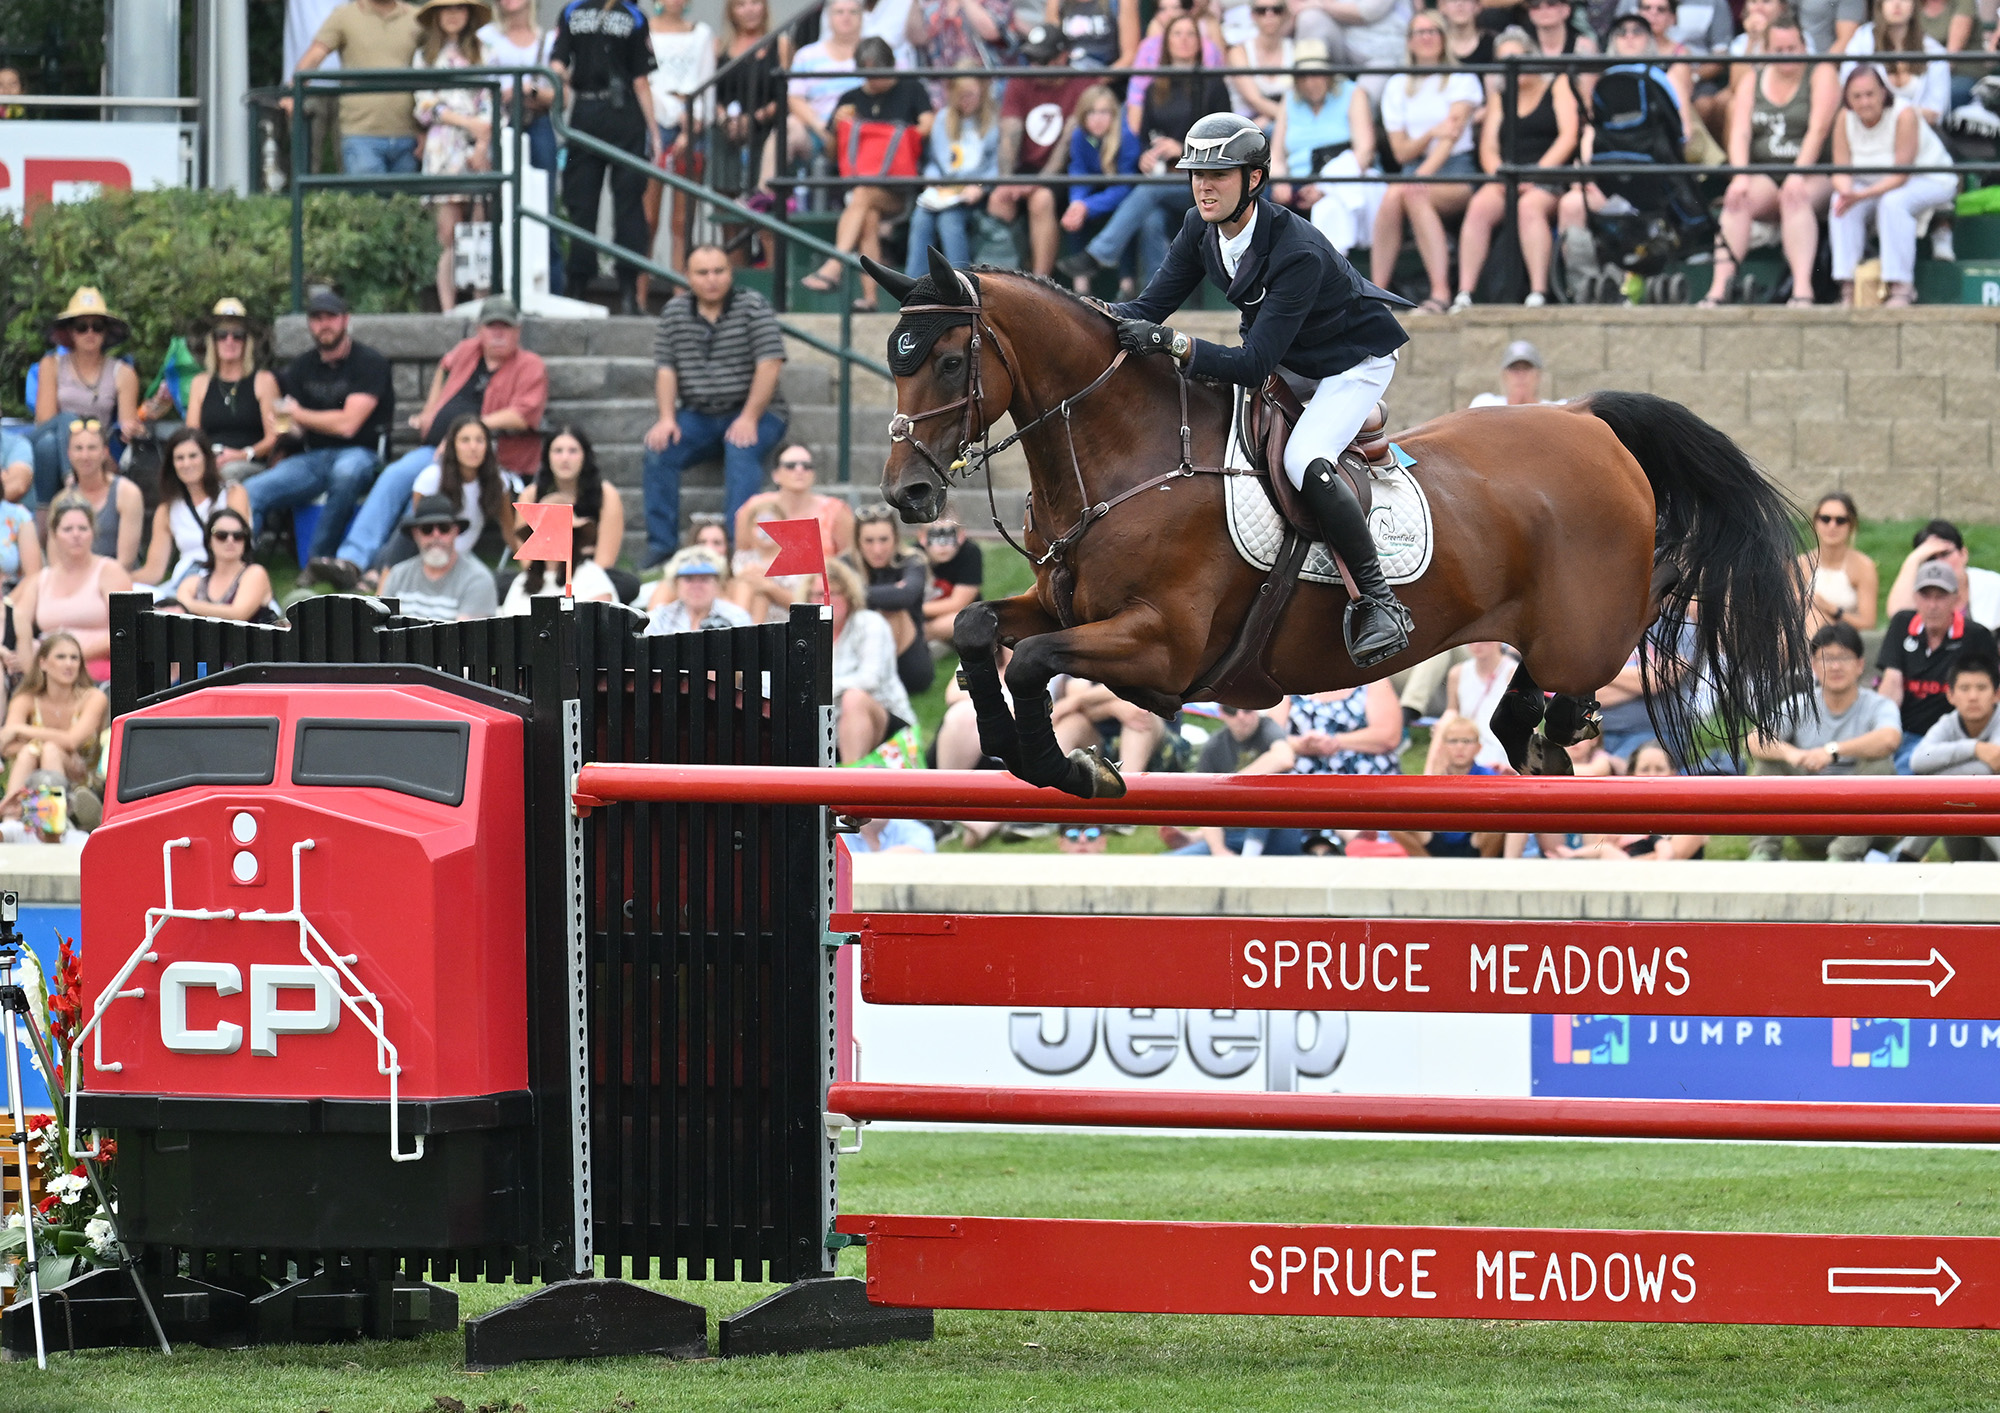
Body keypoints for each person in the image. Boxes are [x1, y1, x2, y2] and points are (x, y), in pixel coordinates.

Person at [1104, 110, 1417, 668]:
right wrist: (1075, 314)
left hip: (1350, 362)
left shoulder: (1294, 249)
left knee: (1304, 459)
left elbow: (1251, 364)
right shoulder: (1199, 229)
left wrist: (1175, 345)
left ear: (1254, 179)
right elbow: (1145, 308)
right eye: (1197, 175)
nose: (1204, 186)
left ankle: (1379, 600)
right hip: (1293, 354)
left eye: (1219, 174)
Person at [311, 296, 545, 588]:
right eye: (491, 326)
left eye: (505, 327)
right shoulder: (468, 350)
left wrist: (468, 434)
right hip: (435, 450)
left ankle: (383, 570)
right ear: (479, 329)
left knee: (428, 489)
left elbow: (523, 415)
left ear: (518, 331)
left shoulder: (529, 366)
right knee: (395, 475)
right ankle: (352, 560)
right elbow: (443, 367)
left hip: (484, 457)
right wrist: (429, 412)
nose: (498, 333)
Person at [641, 245, 789, 565]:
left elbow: (770, 363)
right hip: (698, 414)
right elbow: (665, 369)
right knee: (658, 451)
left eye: (719, 271)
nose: (712, 280)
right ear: (688, 277)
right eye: (702, 272)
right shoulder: (674, 312)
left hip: (757, 412)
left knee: (741, 450)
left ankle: (738, 548)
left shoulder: (753, 306)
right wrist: (666, 418)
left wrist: (750, 417)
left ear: (730, 273)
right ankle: (661, 546)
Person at [1057, 15, 1228, 286]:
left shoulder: (1213, 84)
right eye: (1177, 34)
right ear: (1166, 44)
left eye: (1190, 34)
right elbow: (1145, 137)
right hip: (1165, 177)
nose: (1183, 40)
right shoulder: (1153, 88)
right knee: (1150, 218)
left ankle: (1098, 254)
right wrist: (1146, 156)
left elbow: (1225, 138)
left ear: (1199, 43)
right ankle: (1154, 297)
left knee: (1148, 190)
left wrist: (1183, 148)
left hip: (1204, 180)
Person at [1700, 7, 1837, 308]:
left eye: (1792, 49)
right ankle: (1719, 287)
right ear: (1766, 49)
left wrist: (1798, 174)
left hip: (1814, 173)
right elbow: (1740, 134)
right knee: (1739, 198)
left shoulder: (1821, 73)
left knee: (1795, 197)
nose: (1786, 56)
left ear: (1803, 47)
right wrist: (1739, 176)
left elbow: (1818, 129)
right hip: (1766, 170)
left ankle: (1802, 290)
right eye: (1778, 50)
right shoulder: (1754, 78)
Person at [251, 289, 394, 564]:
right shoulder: (302, 367)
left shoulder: (370, 362)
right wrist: (286, 428)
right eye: (316, 318)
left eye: (331, 317)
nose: (324, 324)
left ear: (346, 320)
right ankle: (237, 567)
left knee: (346, 473)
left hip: (361, 452)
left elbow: (349, 425)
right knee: (251, 491)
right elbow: (299, 428)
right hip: (313, 457)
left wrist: (298, 414)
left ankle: (317, 562)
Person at [1744, 621, 1903, 858]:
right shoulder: (1799, 703)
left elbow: (1890, 739)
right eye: (1827, 659)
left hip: (1867, 824)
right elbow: (1755, 739)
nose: (1836, 666)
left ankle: (1843, 856)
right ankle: (1764, 853)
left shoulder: (1878, 704)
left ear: (1860, 665)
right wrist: (1791, 753)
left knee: (1880, 764)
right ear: (1814, 666)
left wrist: (1833, 751)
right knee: (1769, 763)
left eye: (1845, 658)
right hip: (1811, 815)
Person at [799, 38, 935, 308]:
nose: (873, 81)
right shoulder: (850, 99)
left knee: (862, 196)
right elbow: (830, 153)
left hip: (900, 188)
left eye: (878, 74)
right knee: (868, 214)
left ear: (892, 66)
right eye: (867, 75)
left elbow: (927, 127)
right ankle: (870, 299)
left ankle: (834, 265)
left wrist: (889, 136)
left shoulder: (912, 89)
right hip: (862, 187)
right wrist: (838, 127)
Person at [550, 0, 664, 314]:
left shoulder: (573, 11)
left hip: (590, 110)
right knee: (625, 206)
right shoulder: (632, 15)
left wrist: (560, 78)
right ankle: (624, 291)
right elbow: (641, 80)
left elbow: (558, 63)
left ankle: (579, 289)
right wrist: (653, 133)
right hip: (620, 111)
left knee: (582, 204)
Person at [1453, 26, 1579, 309]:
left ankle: (1537, 290)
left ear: (1531, 56)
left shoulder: (1556, 83)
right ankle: (1465, 292)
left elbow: (1568, 136)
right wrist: (1502, 175)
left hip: (1549, 174)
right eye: (1504, 61)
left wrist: (1535, 174)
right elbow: (1488, 146)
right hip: (1508, 176)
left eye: (1517, 58)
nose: (1512, 67)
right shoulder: (1501, 94)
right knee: (1480, 207)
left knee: (1529, 208)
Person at [1371, 13, 1482, 313]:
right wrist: (1431, 132)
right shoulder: (1398, 85)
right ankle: (1376, 294)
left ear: (1444, 37)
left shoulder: (1462, 79)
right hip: (1413, 171)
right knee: (1394, 195)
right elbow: (1401, 152)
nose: (1426, 37)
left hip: (1455, 171)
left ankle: (1440, 293)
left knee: (1409, 191)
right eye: (1419, 32)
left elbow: (1452, 136)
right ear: (1409, 41)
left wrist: (1420, 175)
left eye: (1433, 31)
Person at [1829, 63, 1955, 308]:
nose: (1865, 102)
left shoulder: (1904, 114)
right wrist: (1846, 192)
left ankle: (1901, 287)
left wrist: (1860, 194)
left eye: (1870, 94)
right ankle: (1848, 287)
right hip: (1871, 183)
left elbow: (1901, 175)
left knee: (1893, 203)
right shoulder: (1844, 118)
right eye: (1857, 96)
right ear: (1847, 98)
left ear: (1883, 93)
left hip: (1930, 178)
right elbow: (1840, 169)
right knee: (1839, 203)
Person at [986, 27, 1091, 278]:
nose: (1035, 66)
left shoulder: (1083, 85)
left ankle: (1040, 283)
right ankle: (1010, 279)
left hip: (1069, 170)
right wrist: (1007, 181)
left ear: (1062, 57)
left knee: (1041, 199)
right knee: (999, 199)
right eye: (1031, 59)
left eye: (1042, 60)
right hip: (1027, 168)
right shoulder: (1020, 81)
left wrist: (1038, 181)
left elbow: (1066, 144)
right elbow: (1009, 135)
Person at [412, 0, 497, 312]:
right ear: (436, 15)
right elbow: (424, 104)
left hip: (479, 144)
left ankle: (480, 306)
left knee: (478, 227)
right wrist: (465, 122)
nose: (452, 15)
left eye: (459, 8)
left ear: (469, 14)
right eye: (446, 8)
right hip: (443, 145)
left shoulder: (485, 53)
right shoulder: (426, 56)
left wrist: (482, 145)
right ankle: (449, 310)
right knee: (448, 231)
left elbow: (493, 102)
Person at [28, 288, 141, 512]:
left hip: (97, 443)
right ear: (70, 333)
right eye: (82, 327)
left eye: (97, 327)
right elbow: (45, 420)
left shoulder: (124, 373)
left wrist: (132, 430)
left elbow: (127, 424)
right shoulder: (51, 365)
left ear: (106, 332)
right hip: (52, 435)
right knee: (59, 431)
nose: (90, 333)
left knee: (64, 444)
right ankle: (69, 479)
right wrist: (75, 430)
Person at [1878, 559, 1998, 769]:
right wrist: (1884, 730)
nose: (1932, 605)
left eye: (1940, 596)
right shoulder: (1901, 624)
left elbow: (1991, 689)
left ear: (1956, 598)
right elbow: (1891, 684)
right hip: (1909, 736)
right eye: (1926, 595)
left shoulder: (1977, 635)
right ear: (1915, 597)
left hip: (1959, 733)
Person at [1267, 41, 1382, 259]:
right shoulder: (1289, 99)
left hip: (1341, 181)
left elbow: (1364, 152)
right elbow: (1277, 155)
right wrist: (1280, 180)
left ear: (1329, 74)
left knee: (1329, 207)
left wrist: (1324, 186)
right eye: (1304, 76)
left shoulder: (1353, 93)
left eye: (1317, 74)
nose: (1311, 82)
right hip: (1296, 184)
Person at [480, 0, 564, 292]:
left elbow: (556, 94)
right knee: (498, 204)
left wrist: (529, 90)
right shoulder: (485, 36)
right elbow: (478, 88)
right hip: (497, 123)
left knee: (544, 205)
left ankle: (551, 285)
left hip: (538, 121)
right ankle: (500, 284)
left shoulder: (549, 39)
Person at [10, 496, 133, 685]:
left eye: (83, 528)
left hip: (101, 668)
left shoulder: (110, 572)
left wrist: (70, 656)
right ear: (54, 534)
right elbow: (15, 618)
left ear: (93, 532)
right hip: (46, 670)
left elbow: (127, 630)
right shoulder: (41, 580)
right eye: (68, 529)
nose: (76, 534)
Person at [293, 0, 425, 175]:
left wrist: (426, 132)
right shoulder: (344, 16)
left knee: (405, 202)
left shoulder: (418, 18)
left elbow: (435, 61)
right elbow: (315, 55)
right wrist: (292, 93)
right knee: (367, 201)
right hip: (360, 133)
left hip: (408, 134)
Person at [641, 0, 715, 301]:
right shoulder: (642, 30)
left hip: (692, 128)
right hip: (652, 123)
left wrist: (691, 123)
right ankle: (638, 297)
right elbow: (643, 82)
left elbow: (707, 85)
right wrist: (672, 111)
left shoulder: (702, 33)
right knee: (647, 218)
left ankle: (680, 298)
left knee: (682, 222)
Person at [729, 444, 855, 620]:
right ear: (775, 474)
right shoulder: (754, 508)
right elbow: (742, 554)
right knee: (750, 583)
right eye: (790, 465)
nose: (799, 470)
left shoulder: (836, 511)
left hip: (817, 596)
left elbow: (848, 566)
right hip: (757, 595)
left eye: (806, 466)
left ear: (813, 473)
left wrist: (770, 587)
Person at [0, 633, 108, 823]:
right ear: (42, 663)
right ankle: (12, 819)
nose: (69, 664)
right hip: (32, 773)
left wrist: (21, 731)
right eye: (61, 657)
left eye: (74, 658)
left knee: (47, 749)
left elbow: (72, 740)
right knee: (34, 752)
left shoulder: (93, 698)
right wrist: (39, 750)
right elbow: (6, 745)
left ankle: (53, 821)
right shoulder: (25, 698)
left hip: (81, 780)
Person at [903, 67, 1001, 275]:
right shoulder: (943, 118)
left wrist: (980, 187)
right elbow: (933, 161)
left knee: (950, 221)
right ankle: (913, 286)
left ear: (982, 92)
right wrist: (932, 180)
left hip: (975, 192)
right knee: (921, 219)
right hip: (944, 190)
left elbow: (996, 166)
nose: (966, 100)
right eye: (961, 95)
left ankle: (962, 284)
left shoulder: (993, 121)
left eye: (971, 95)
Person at [1169, 704, 1302, 856]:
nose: (1240, 716)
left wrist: (1233, 784)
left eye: (1247, 708)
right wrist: (1219, 850)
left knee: (1269, 784)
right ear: (1221, 712)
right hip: (1231, 834)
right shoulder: (1214, 746)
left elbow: (1284, 757)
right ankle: (1202, 842)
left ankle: (1246, 858)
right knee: (1169, 863)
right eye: (1231, 709)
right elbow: (1204, 803)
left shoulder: (1268, 727)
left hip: (1277, 833)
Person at [516, 427, 632, 600]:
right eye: (558, 451)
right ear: (547, 456)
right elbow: (527, 557)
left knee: (626, 584)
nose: (565, 458)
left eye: (572, 451)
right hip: (544, 573)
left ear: (585, 455)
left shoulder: (606, 494)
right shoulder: (531, 495)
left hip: (590, 572)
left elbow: (605, 559)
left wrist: (580, 578)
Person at [134, 430, 253, 596]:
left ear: (206, 458)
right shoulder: (166, 510)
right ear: (172, 465)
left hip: (225, 580)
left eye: (193, 456)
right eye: (179, 458)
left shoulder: (232, 494)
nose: (187, 464)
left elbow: (240, 548)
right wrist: (116, 578)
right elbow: (153, 571)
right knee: (134, 597)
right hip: (184, 582)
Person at [825, 556, 917, 763]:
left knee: (854, 698)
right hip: (830, 727)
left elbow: (870, 679)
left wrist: (823, 688)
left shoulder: (869, 623)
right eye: (817, 594)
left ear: (849, 595)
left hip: (888, 726)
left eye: (835, 593)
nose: (826, 600)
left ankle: (849, 786)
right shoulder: (806, 635)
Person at [1909, 655, 2000, 860]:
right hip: (1962, 829)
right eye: (1965, 688)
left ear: (1997, 694)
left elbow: (1992, 764)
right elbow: (1918, 760)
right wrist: (1975, 748)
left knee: (1978, 785)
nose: (1973, 696)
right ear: (1950, 695)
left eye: (1981, 688)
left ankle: (1903, 858)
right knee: (1968, 791)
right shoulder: (1948, 723)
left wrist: (1937, 776)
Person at [1057, 85, 1146, 288]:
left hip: (1124, 195)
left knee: (1124, 215)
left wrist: (1088, 206)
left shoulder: (1126, 136)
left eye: (1104, 112)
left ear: (1113, 114)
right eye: (1091, 112)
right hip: (1095, 192)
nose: (1097, 119)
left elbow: (1126, 186)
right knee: (1074, 214)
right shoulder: (1080, 135)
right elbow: (1078, 171)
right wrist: (1078, 203)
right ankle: (1080, 287)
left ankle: (1127, 285)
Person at [185, 298, 282, 483]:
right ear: (213, 341)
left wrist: (243, 454)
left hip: (250, 463)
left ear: (247, 341)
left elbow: (274, 438)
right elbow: (192, 435)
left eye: (238, 335)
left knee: (229, 472)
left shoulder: (263, 381)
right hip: (209, 461)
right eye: (222, 335)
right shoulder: (200, 383)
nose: (230, 341)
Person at [849, 504, 935, 695]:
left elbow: (904, 597)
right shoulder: (847, 565)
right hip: (858, 651)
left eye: (884, 540)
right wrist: (889, 592)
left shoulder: (912, 561)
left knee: (890, 612)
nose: (877, 549)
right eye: (869, 541)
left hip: (908, 664)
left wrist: (854, 594)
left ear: (895, 538)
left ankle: (873, 681)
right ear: (858, 542)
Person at [713, 0, 791, 207]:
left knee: (763, 205)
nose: (749, 10)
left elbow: (787, 93)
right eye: (740, 5)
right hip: (728, 133)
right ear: (731, 12)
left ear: (765, 7)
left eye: (755, 3)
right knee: (727, 208)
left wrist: (755, 118)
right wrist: (724, 119)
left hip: (766, 131)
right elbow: (712, 94)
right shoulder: (719, 46)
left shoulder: (781, 44)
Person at [1390, 714, 1503, 858]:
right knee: (1394, 822)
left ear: (1479, 747)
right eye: (1453, 741)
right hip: (1438, 838)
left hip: (1475, 840)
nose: (1460, 747)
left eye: (1467, 741)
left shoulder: (1488, 776)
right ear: (1443, 746)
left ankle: (1483, 870)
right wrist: (1435, 783)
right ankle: (1428, 868)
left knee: (1498, 824)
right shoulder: (1436, 776)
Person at [1575, 740, 1709, 860]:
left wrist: (1621, 863)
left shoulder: (1689, 812)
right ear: (1631, 775)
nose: (1652, 776)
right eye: (1645, 769)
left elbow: (1675, 857)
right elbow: (1595, 853)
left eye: (1660, 769)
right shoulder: (1616, 813)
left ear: (1672, 773)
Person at [381, 495, 500, 621]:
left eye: (444, 528)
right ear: (416, 534)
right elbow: (383, 626)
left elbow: (467, 637)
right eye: (427, 529)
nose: (436, 535)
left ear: (455, 531)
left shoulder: (477, 579)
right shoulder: (398, 575)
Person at [1842, 0, 1951, 121]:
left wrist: (1898, 116)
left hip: (1919, 132)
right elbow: (1848, 88)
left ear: (1914, 5)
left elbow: (1935, 112)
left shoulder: (1934, 51)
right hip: (1870, 127)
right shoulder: (1862, 41)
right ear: (1880, 5)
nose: (1897, 4)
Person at [60, 420, 143, 572]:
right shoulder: (62, 500)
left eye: (92, 448)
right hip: (75, 580)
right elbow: (57, 560)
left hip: (117, 580)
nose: (85, 456)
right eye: (78, 448)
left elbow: (125, 561)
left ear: (105, 452)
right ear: (69, 454)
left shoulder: (127, 493)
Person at [1886, 519, 2000, 628]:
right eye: (1930, 558)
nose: (1939, 563)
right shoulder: (1918, 588)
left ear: (1963, 554)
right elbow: (1898, 617)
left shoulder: (1993, 585)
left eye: (1945, 554)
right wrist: (1913, 559)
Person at [174, 509, 280, 625]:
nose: (230, 540)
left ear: (245, 541)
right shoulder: (193, 583)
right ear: (209, 540)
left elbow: (238, 615)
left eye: (238, 536)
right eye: (221, 535)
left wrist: (190, 605)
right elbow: (178, 610)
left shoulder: (255, 573)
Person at [1799, 491, 1879, 636]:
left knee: (1816, 617)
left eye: (1840, 520)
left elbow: (1868, 623)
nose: (1832, 526)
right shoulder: (1801, 563)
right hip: (1804, 632)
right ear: (1815, 522)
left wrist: (1831, 609)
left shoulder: (1862, 566)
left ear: (1851, 525)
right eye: (1825, 519)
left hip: (1844, 640)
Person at [1430, 640, 1517, 770]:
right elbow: (1452, 710)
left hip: (1501, 750)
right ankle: (1430, 775)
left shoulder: (1513, 672)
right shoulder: (1457, 673)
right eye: (1471, 641)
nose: (1477, 645)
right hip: (1467, 746)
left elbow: (1525, 721)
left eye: (1485, 641)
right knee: (1443, 725)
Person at [908, 0, 1013, 107]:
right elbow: (917, 37)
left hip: (986, 88)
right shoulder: (935, 4)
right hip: (941, 91)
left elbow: (991, 31)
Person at [645, 547, 756, 632]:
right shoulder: (660, 618)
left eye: (704, 579)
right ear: (675, 584)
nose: (696, 586)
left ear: (718, 583)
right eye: (689, 579)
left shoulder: (736, 617)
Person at [1289, 0, 1416, 69]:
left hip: (1383, 55)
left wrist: (1321, 4)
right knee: (1310, 18)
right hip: (1345, 48)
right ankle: (1310, 85)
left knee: (1364, 91)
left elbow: (1368, 12)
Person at [1226, 0, 1294, 125]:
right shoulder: (1239, 51)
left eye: (1276, 10)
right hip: (1247, 125)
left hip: (1284, 125)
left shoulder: (1294, 49)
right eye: (1262, 11)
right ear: (1253, 15)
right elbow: (1254, 99)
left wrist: (1272, 119)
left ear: (1285, 14)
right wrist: (1292, 118)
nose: (1269, 15)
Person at [920, 516, 983, 644]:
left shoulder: (969, 552)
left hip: (958, 618)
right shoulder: (915, 556)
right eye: (935, 536)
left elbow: (958, 603)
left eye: (949, 535)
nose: (942, 545)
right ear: (922, 538)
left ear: (961, 536)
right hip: (923, 617)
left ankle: (917, 637)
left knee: (962, 620)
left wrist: (916, 609)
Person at [1048, 0, 1142, 69]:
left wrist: (1097, 80)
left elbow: (1130, 55)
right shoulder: (1059, 3)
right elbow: (1048, 46)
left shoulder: (1121, 2)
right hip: (1068, 76)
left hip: (1106, 77)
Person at [1468, 338, 1547, 406]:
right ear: (1504, 375)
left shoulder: (1554, 410)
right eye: (1514, 368)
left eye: (1526, 368)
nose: (1521, 375)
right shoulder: (1485, 405)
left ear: (1538, 375)